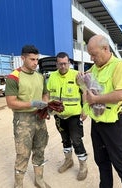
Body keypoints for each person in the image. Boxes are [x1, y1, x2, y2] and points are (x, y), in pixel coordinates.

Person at [82, 35, 122, 188]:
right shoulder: (94, 68)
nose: (92, 58)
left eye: (94, 54)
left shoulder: (119, 66)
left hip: (114, 125)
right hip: (98, 123)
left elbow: (121, 94)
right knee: (102, 162)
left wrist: (95, 100)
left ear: (105, 49)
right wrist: (80, 81)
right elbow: (86, 88)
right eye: (90, 54)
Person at [5, 45, 51, 188]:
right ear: (23, 58)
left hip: (39, 117)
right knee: (23, 153)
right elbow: (11, 102)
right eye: (32, 59)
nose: (35, 62)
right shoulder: (14, 77)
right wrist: (31, 103)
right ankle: (18, 184)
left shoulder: (39, 76)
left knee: (40, 149)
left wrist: (45, 104)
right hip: (23, 119)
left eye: (37, 59)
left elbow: (45, 93)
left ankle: (39, 180)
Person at [46, 52, 88, 181]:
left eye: (65, 63)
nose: (63, 66)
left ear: (69, 63)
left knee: (76, 140)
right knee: (65, 140)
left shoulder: (77, 75)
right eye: (60, 64)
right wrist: (47, 109)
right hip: (58, 116)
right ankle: (68, 161)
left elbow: (85, 91)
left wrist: (85, 109)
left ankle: (83, 166)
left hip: (74, 115)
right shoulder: (52, 76)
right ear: (57, 64)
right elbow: (48, 94)